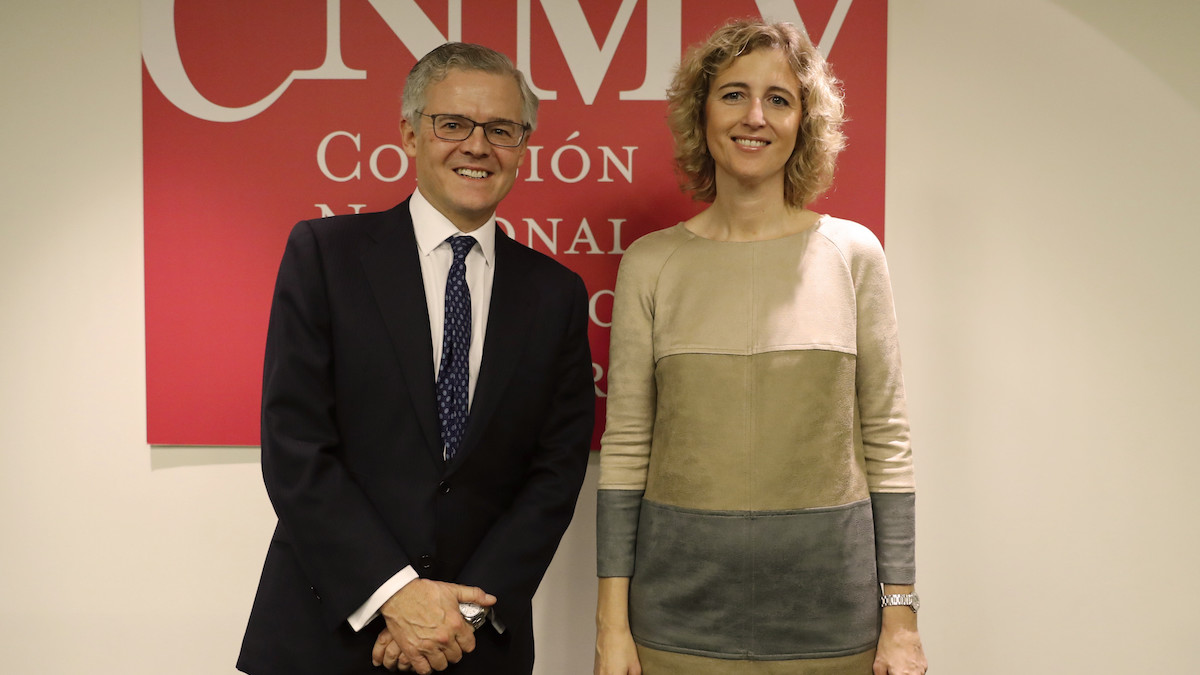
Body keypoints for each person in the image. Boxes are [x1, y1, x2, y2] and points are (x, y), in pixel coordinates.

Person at [237, 42, 595, 675]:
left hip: (475, 643)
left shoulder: (555, 294)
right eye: (452, 123)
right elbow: (295, 447)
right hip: (328, 633)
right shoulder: (326, 256)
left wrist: (462, 617)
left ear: (523, 146)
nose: (477, 146)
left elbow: (555, 473)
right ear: (409, 133)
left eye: (501, 130)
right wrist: (395, 595)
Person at [594, 19, 927, 675]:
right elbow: (628, 446)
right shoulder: (652, 263)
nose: (755, 116)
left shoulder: (852, 254)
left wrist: (902, 619)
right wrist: (611, 627)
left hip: (830, 622)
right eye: (733, 94)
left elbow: (887, 442)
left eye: (779, 98)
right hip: (676, 624)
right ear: (702, 111)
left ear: (804, 121)